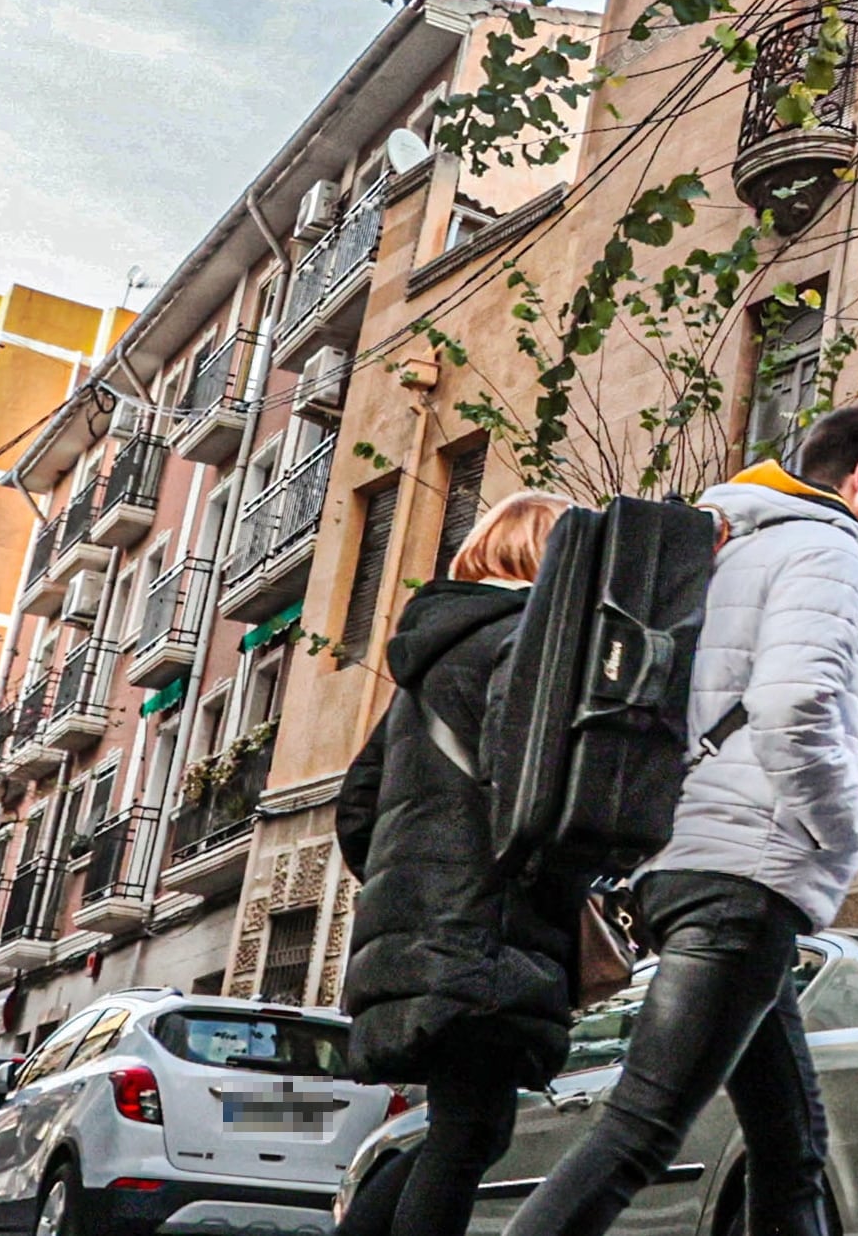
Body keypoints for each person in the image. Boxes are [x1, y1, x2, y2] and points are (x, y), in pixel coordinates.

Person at [497, 406, 858, 1236]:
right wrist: (845, 832)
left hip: (683, 858)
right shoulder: (827, 548)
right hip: (745, 872)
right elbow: (796, 703)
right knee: (641, 1129)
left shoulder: (726, 546)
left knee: (791, 1145)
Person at [332, 486, 588, 1236]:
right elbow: (522, 788)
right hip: (486, 929)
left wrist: (408, 889)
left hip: (430, 931)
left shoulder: (426, 665)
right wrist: (550, 883)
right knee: (469, 1132)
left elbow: (357, 806)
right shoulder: (523, 640)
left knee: (465, 1127)